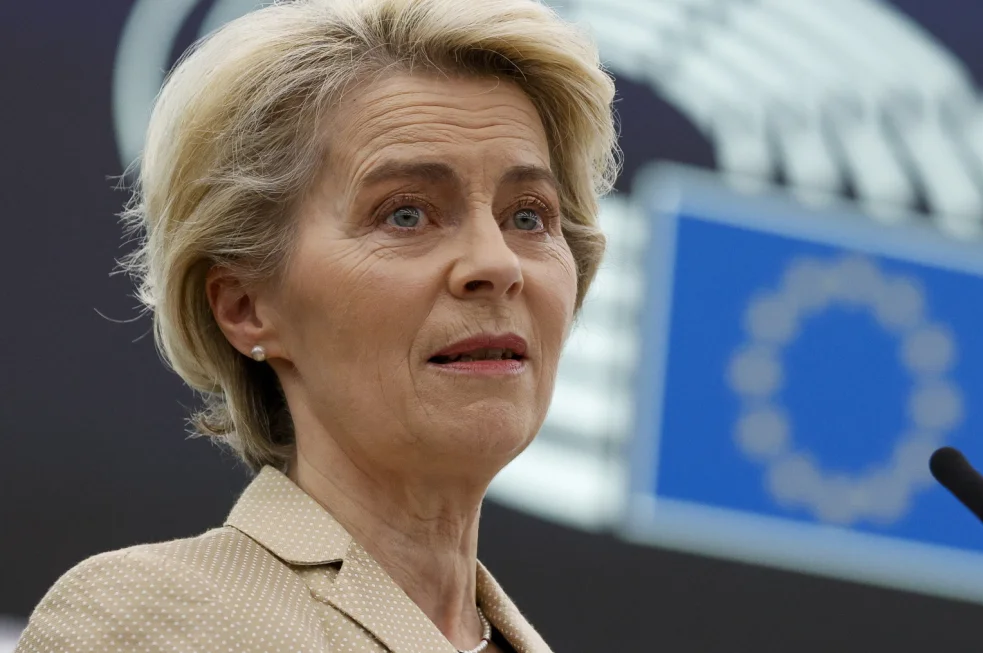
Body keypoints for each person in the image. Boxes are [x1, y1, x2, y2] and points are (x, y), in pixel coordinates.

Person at [16, 0, 617, 650]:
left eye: (528, 217)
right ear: (245, 306)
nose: (496, 265)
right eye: (406, 214)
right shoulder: (161, 617)